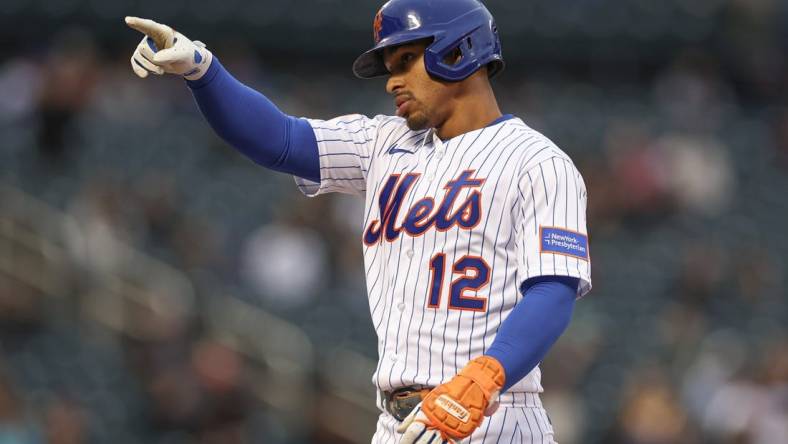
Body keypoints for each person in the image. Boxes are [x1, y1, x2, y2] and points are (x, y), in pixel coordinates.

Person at [125, 0, 592, 442]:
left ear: (460, 50)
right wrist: (203, 72)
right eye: (390, 69)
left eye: (406, 60)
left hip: (492, 415)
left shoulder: (538, 163)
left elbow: (553, 290)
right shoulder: (381, 144)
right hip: (397, 421)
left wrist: (484, 378)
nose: (392, 82)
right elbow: (279, 140)